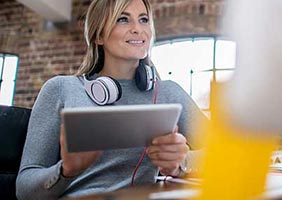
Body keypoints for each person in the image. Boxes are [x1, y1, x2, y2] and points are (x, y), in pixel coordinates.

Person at [16, 0, 207, 199]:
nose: (137, 29)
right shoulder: (61, 89)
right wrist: (65, 171)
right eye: (123, 19)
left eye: (143, 20)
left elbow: (227, 156)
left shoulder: (169, 93)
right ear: (98, 35)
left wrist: (182, 162)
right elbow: (24, 190)